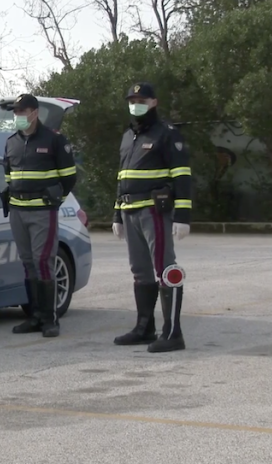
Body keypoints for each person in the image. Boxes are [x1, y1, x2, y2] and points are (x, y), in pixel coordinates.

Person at [111, 82, 192, 353]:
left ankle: (172, 333)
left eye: (142, 99)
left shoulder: (167, 134)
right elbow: (122, 177)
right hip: (130, 210)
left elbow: (182, 176)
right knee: (140, 271)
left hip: (154, 212)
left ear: (154, 102)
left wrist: (183, 215)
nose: (136, 103)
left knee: (165, 270)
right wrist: (116, 214)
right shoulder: (127, 136)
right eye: (132, 99)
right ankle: (144, 327)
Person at [1, 93, 78, 337]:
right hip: (18, 211)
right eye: (15, 112)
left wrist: (54, 201)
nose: (18, 116)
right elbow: (8, 176)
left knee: (43, 261)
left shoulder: (54, 140)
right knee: (27, 263)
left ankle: (50, 319)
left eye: (22, 112)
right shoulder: (11, 141)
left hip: (42, 212)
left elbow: (69, 178)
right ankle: (34, 316)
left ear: (34, 113)